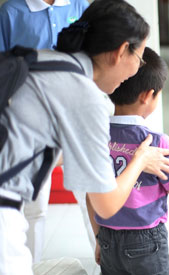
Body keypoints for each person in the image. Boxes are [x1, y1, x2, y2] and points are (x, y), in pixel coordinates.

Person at [0, 1, 169, 274]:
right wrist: (139, 160)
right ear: (120, 52)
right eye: (139, 59)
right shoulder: (86, 96)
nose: (137, 70)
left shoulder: (45, 60)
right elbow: (107, 206)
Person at [86, 47, 169, 275]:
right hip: (145, 238)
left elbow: (91, 197)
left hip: (107, 236)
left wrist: (98, 238)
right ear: (148, 95)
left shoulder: (98, 137)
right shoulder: (156, 142)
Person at [0, 0, 91, 263]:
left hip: (76, 113)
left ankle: (108, 262)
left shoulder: (79, 6)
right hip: (31, 120)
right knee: (34, 205)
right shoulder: (11, 13)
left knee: (91, 196)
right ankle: (32, 266)